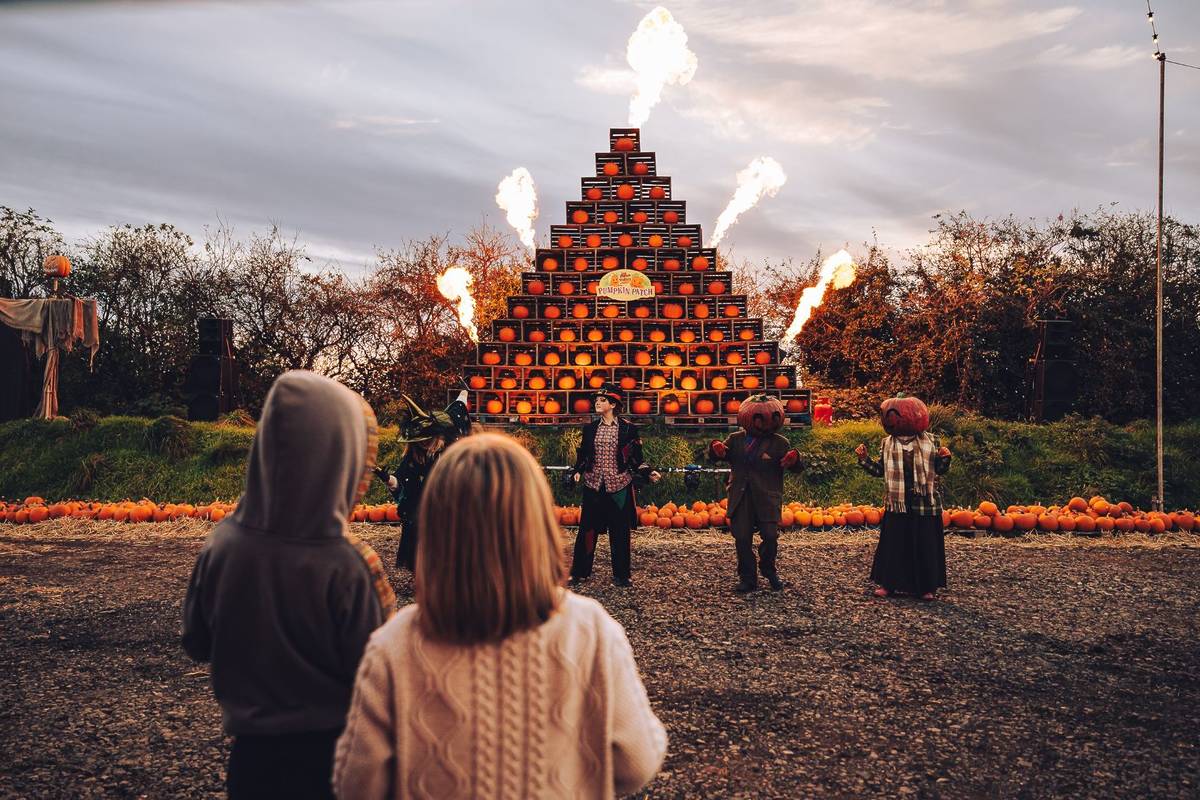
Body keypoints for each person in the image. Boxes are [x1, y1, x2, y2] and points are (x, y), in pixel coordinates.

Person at [333, 433, 668, 799]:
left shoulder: (394, 644)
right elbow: (637, 762)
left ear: (437, 525)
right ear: (537, 523)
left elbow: (357, 784)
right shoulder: (590, 629)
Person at [182, 371, 396, 800]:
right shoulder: (350, 565)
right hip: (332, 761)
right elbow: (377, 673)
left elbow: (197, 643)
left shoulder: (222, 546)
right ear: (342, 458)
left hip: (251, 761)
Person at [855, 394, 952, 600]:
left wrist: (945, 458)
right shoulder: (887, 443)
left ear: (914, 415)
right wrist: (864, 460)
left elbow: (940, 470)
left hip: (924, 502)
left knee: (924, 544)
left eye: (894, 415)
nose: (889, 420)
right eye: (887, 416)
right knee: (895, 545)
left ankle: (926, 587)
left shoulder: (932, 441)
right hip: (897, 502)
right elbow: (879, 470)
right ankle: (890, 584)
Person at [708, 394, 805, 593]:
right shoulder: (736, 440)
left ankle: (768, 568)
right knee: (742, 538)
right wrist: (715, 449)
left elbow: (797, 467)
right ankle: (747, 578)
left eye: (772, 416)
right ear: (747, 416)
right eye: (759, 417)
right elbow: (719, 454)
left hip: (767, 497)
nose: (765, 421)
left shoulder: (780, 443)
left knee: (770, 536)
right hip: (741, 496)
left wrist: (794, 460)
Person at [567, 383, 660, 588]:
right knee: (587, 530)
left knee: (620, 531)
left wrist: (647, 471)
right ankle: (579, 572)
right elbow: (583, 456)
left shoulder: (628, 429)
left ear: (612, 404)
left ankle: (622, 574)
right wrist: (577, 472)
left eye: (601, 400)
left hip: (619, 486)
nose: (597, 403)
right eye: (596, 400)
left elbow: (636, 459)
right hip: (594, 484)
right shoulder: (590, 429)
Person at [378, 388, 471, 569]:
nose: (423, 443)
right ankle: (424, 572)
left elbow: (458, 408)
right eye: (419, 440)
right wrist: (387, 478)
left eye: (426, 439)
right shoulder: (414, 456)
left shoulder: (452, 450)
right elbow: (402, 481)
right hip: (422, 505)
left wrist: (464, 392)